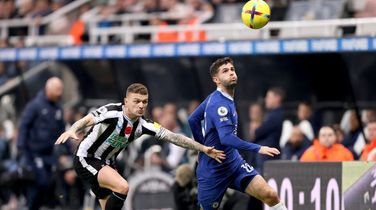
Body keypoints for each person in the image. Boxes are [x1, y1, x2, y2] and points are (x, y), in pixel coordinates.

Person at [54, 83, 225, 210]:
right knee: (123, 187)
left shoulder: (145, 125)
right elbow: (88, 119)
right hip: (87, 158)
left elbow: (174, 137)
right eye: (136, 101)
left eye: (145, 102)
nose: (141, 105)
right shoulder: (112, 112)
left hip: (106, 163)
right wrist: (73, 129)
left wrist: (202, 148)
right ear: (126, 101)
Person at [188, 57, 286, 210]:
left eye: (232, 69)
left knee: (270, 195)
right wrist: (258, 148)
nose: (231, 73)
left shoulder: (217, 98)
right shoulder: (219, 104)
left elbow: (193, 119)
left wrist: (203, 147)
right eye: (225, 71)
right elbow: (226, 138)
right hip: (213, 171)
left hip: (234, 164)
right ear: (216, 79)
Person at [17, 77, 65, 210]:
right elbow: (24, 126)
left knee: (50, 184)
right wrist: (21, 147)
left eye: (61, 90)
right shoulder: (35, 105)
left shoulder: (58, 109)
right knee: (40, 182)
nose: (60, 93)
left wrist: (66, 149)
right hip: (33, 153)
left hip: (50, 154)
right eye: (57, 90)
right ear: (48, 89)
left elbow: (62, 131)